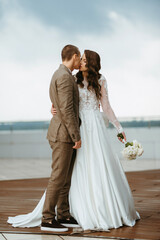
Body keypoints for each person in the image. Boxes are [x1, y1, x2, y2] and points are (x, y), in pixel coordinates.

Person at [8, 49, 140, 231]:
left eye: (85, 60)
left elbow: (107, 107)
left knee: (96, 164)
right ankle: (61, 213)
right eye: (81, 59)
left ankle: (89, 210)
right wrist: (53, 108)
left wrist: (119, 127)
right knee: (69, 170)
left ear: (92, 62)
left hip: (94, 126)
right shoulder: (72, 78)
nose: (82, 63)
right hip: (76, 127)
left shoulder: (100, 80)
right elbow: (64, 101)